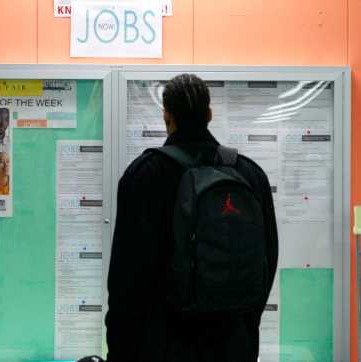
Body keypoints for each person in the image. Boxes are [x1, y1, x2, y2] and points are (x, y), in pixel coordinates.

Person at [105, 74, 278, 362]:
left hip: (162, 345)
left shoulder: (145, 175)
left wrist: (120, 350)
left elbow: (126, 281)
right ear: (209, 114)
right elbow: (267, 261)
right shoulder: (249, 174)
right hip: (233, 344)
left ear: (166, 116)